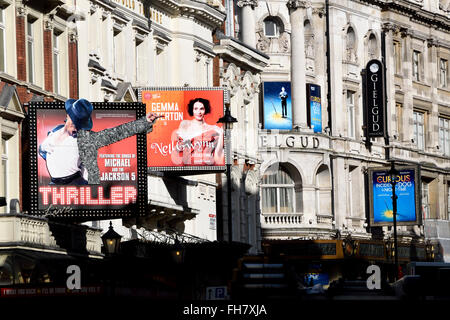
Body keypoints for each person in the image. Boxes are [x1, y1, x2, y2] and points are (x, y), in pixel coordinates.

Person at [39, 98, 163, 184]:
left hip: (74, 184)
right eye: (75, 122)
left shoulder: (86, 138)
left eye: (80, 124)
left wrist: (145, 121)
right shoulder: (53, 132)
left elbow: (117, 133)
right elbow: (43, 150)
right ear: (68, 116)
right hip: (54, 184)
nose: (77, 127)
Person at [171, 98, 224, 166]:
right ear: (192, 110)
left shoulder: (213, 129)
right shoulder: (185, 124)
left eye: (201, 109)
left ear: (205, 110)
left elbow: (218, 155)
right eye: (195, 109)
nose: (199, 112)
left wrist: (221, 133)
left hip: (203, 164)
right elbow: (179, 146)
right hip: (185, 163)